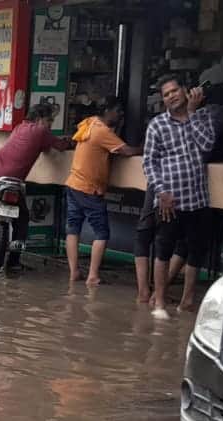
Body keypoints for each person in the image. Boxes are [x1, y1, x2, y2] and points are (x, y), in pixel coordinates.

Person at [0, 102, 76, 267]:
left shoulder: (19, 128)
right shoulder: (41, 131)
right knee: (22, 219)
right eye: (49, 120)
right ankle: (14, 261)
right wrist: (77, 141)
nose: (50, 124)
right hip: (12, 182)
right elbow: (61, 146)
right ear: (39, 119)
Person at [142, 76, 216, 317]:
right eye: (166, 94)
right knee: (163, 250)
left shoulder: (202, 116)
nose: (171, 96)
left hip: (198, 199)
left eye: (174, 91)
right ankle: (161, 304)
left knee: (195, 251)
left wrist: (193, 112)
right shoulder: (157, 125)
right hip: (169, 201)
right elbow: (149, 163)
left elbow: (207, 146)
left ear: (186, 91)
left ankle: (186, 302)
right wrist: (161, 191)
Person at [64, 98, 140, 287]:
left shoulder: (89, 123)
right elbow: (128, 151)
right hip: (89, 188)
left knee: (73, 228)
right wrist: (147, 147)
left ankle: (74, 273)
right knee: (102, 232)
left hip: (73, 183)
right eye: (118, 110)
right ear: (107, 111)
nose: (120, 114)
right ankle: (93, 276)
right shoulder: (102, 131)